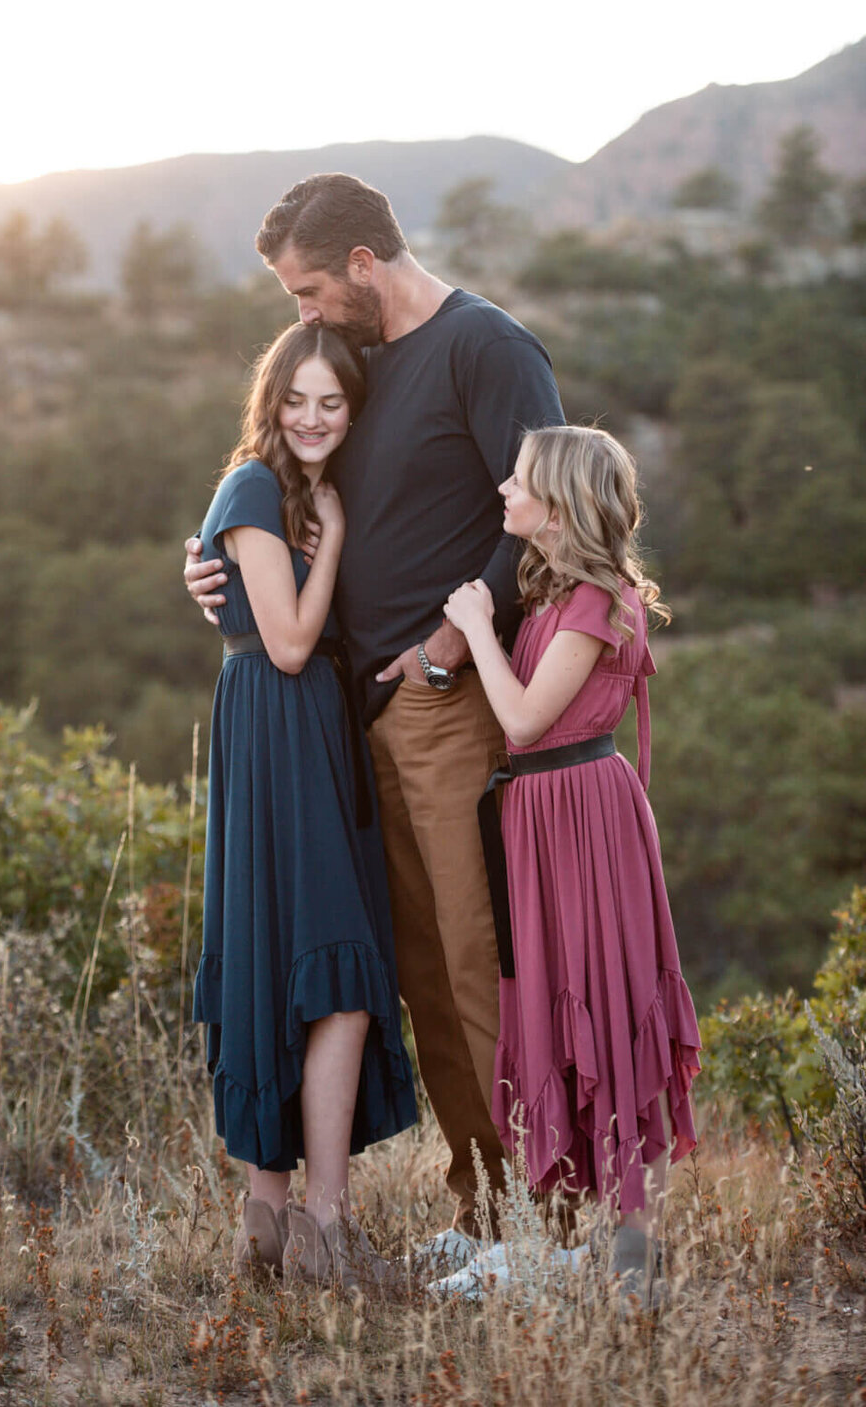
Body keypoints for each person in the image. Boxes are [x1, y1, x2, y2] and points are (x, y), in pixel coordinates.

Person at [186, 172, 564, 1247]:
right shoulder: (357, 366)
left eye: (307, 289)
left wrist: (452, 641)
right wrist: (214, 569)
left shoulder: (488, 348)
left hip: (446, 705)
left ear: (362, 264)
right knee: (420, 974)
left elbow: (543, 513)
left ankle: (541, 1216)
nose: (299, 315)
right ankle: (482, 1205)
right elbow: (291, 492)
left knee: (473, 958)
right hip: (354, 722)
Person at [443, 423, 701, 1304]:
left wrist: (476, 625)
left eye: (517, 483)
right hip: (542, 817)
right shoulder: (558, 593)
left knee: (615, 1002)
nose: (504, 494)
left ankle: (636, 1251)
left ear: (558, 504)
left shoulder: (593, 602)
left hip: (582, 816)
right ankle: (601, 1239)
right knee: (560, 995)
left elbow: (522, 720)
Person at [193, 319, 417, 1288]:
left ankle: (273, 1230)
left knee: (300, 959)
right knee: (337, 969)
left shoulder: (287, 490)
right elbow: (286, 644)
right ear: (270, 400)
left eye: (334, 402)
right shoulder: (257, 485)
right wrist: (329, 540)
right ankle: (318, 1227)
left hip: (308, 729)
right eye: (298, 399)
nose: (316, 417)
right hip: (280, 723)